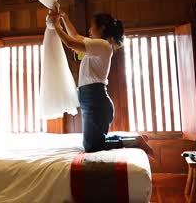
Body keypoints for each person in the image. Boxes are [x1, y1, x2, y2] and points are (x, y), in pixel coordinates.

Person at [47, 10, 154, 157]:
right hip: (92, 101)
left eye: (92, 26)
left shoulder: (102, 45)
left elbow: (70, 42)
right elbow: (75, 37)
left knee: (92, 147)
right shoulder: (97, 45)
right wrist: (64, 18)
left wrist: (56, 25)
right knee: (94, 143)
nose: (89, 30)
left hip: (95, 101)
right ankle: (135, 140)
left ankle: (135, 142)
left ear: (101, 28)